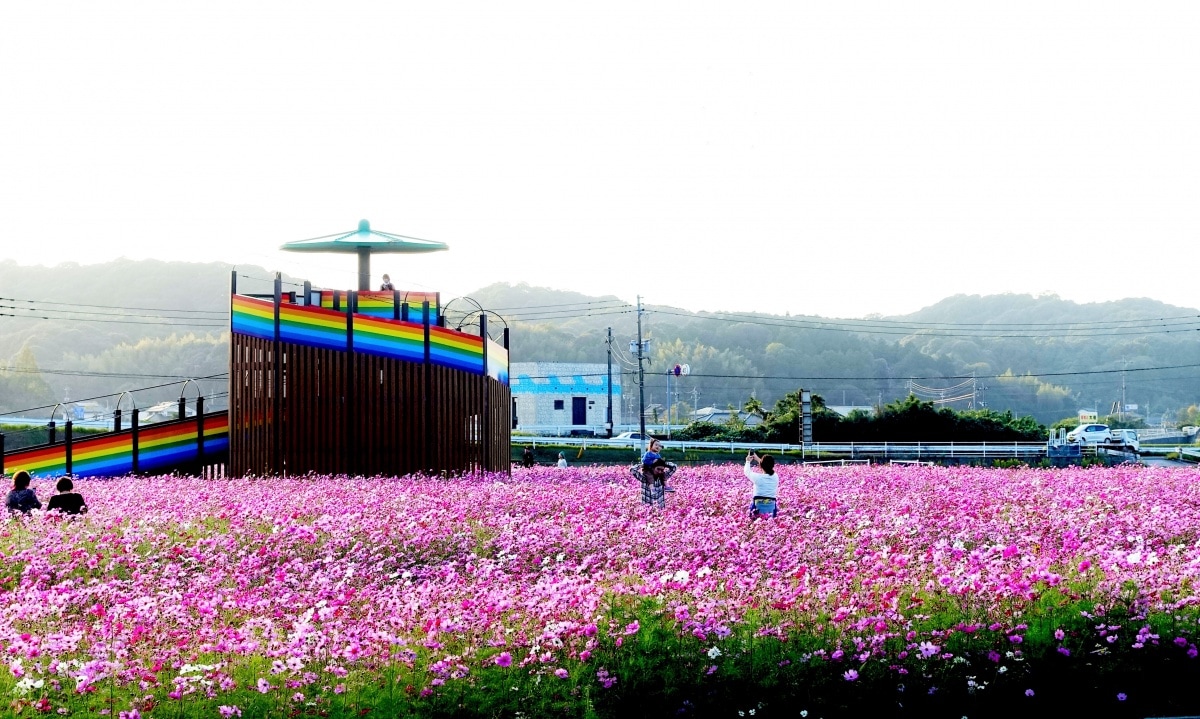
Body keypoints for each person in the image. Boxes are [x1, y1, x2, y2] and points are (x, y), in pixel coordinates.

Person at [745, 449, 778, 519]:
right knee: (771, 525)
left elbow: (747, 472)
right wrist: (757, 458)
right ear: (773, 465)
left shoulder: (758, 478)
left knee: (756, 524)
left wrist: (748, 461)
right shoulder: (775, 476)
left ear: (761, 466)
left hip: (758, 506)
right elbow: (766, 466)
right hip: (771, 506)